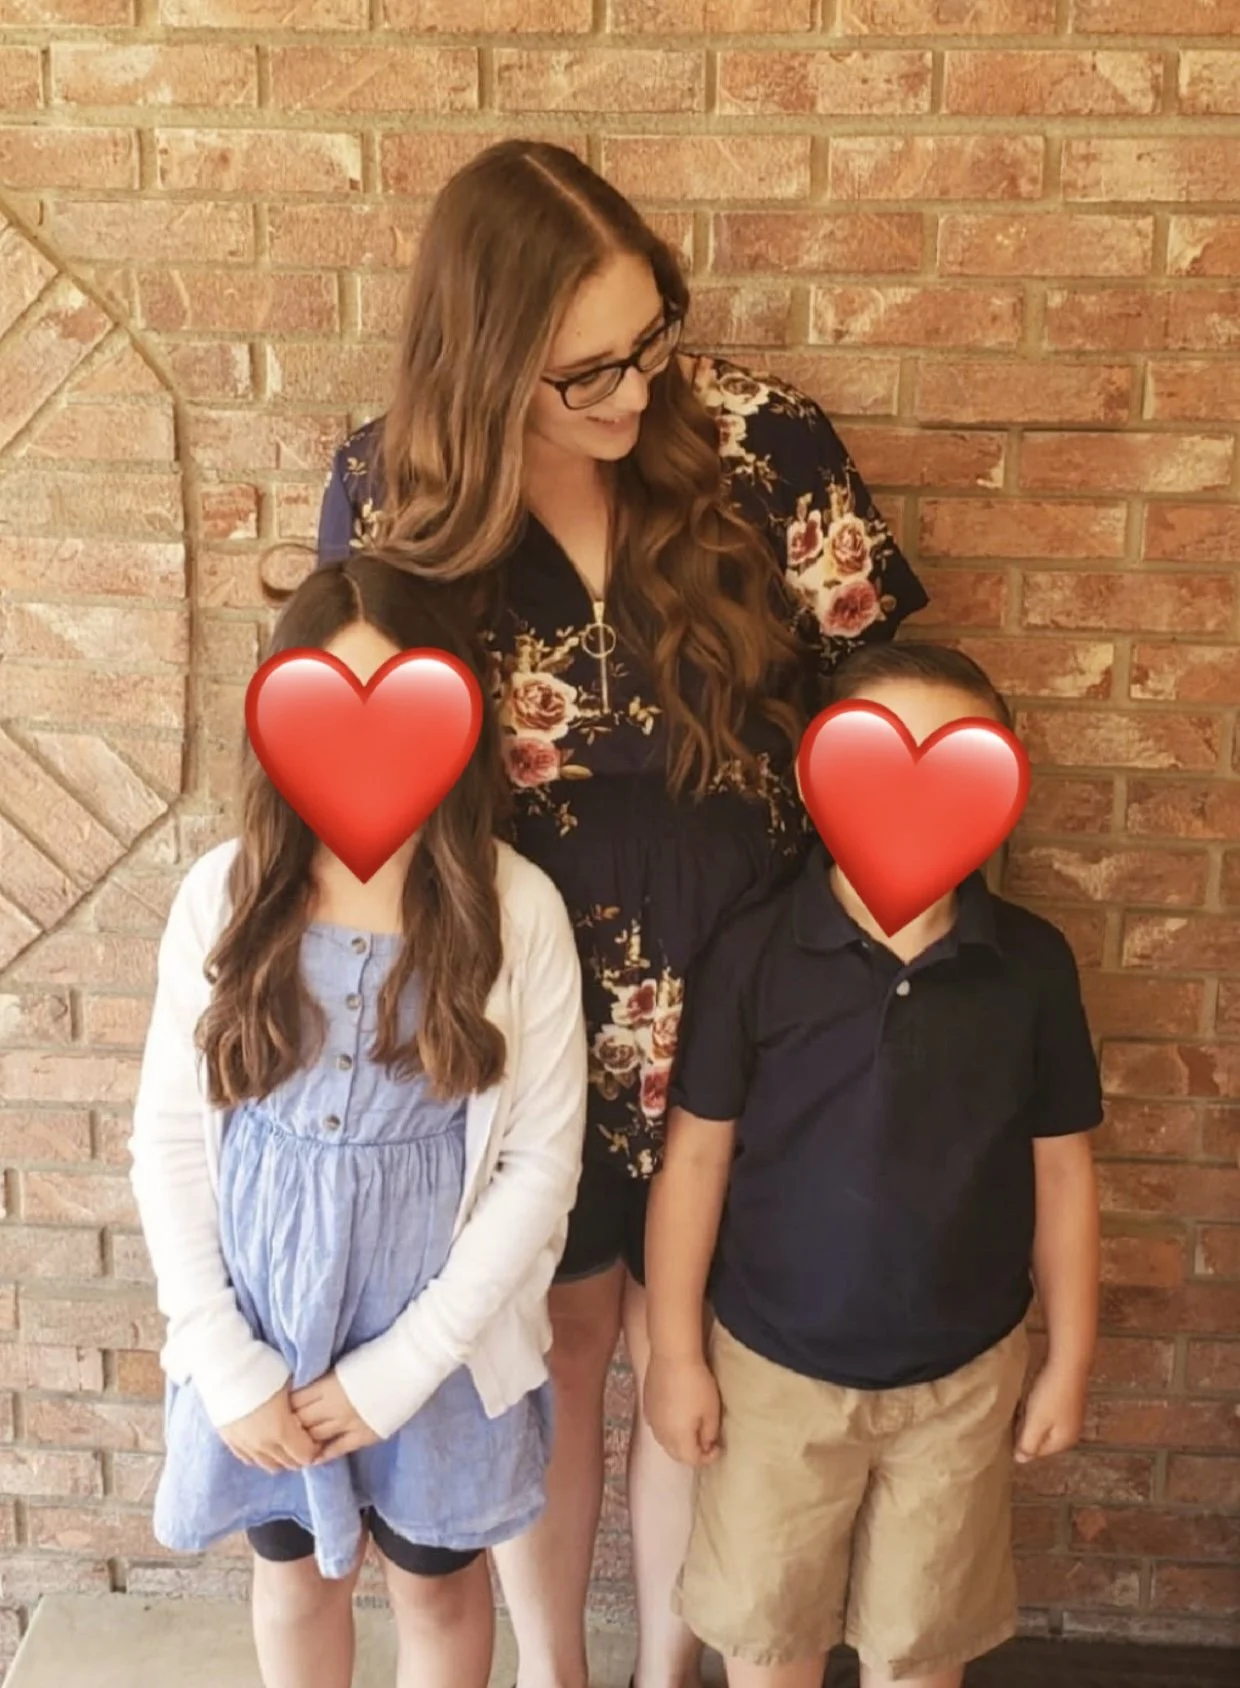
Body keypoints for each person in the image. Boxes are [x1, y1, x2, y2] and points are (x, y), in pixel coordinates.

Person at [317, 138, 929, 1688]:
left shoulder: (763, 443)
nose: (633, 392)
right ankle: (554, 1672)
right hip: (524, 1013)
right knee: (555, 1350)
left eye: (650, 339)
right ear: (486, 359)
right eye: (583, 371)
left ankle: (671, 1669)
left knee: (698, 1351)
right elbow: (352, 772)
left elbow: (889, 700)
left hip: (757, 1006)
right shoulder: (391, 486)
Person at [128, 553, 588, 1688]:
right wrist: (222, 1357)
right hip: (267, 1324)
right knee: (294, 1575)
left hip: (438, 1338)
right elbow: (173, 1143)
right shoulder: (225, 898)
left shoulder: (513, 907)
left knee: (437, 1581)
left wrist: (405, 1367)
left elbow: (538, 1160)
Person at [643, 641, 1104, 1688]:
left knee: (919, 1648)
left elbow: (1064, 1171)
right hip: (772, 1373)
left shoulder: (1029, 965)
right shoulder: (755, 951)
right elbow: (697, 1159)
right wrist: (676, 1350)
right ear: (821, 774)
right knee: (768, 1637)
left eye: (959, 757)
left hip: (961, 1377)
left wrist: (1067, 1354)